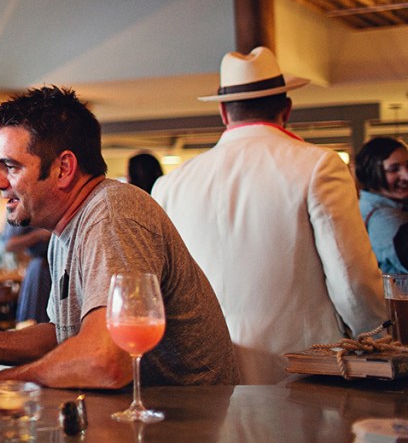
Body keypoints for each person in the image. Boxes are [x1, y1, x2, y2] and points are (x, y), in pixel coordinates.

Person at [0, 86, 238, 390]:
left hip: (188, 413)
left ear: (64, 169)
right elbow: (66, 334)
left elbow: (106, 360)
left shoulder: (112, 213)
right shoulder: (65, 231)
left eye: (10, 166)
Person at [152, 46, 387, 384]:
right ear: (286, 108)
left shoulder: (170, 184)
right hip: (301, 367)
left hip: (205, 373)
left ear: (223, 112)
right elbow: (351, 282)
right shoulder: (318, 166)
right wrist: (379, 337)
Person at [355, 136, 408, 274]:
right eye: (394, 169)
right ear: (371, 173)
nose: (406, 176)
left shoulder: (370, 206)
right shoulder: (384, 218)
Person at [1, 222, 51, 324]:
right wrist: (39, 235)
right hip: (41, 269)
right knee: (36, 319)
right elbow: (9, 245)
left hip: (61, 265)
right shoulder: (20, 210)